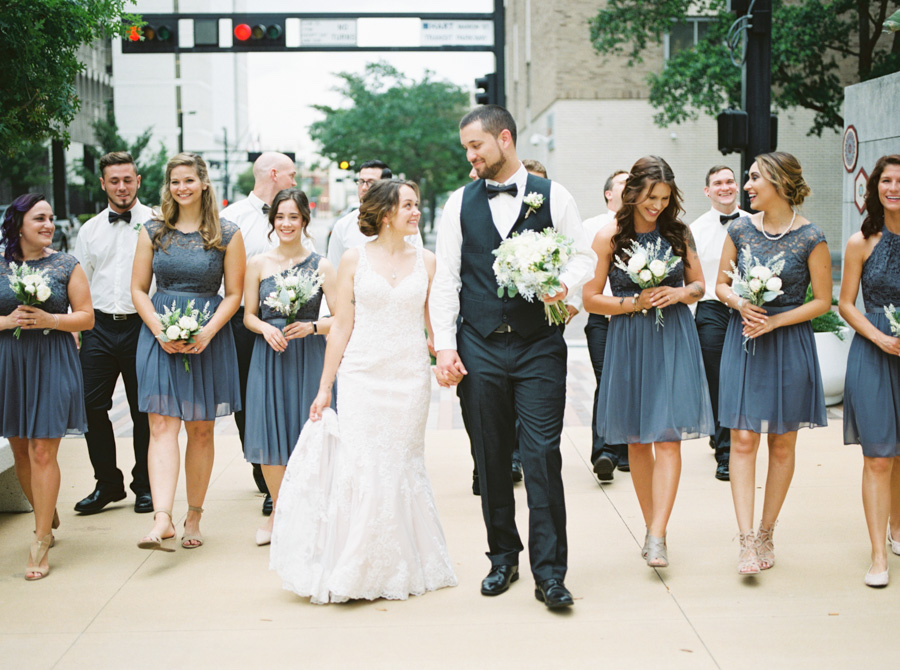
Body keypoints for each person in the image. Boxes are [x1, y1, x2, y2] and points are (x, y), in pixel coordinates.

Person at [431, 105, 595, 609]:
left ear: (504, 138)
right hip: (478, 343)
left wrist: (563, 286)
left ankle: (551, 573)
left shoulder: (555, 196)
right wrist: (444, 346)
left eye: (476, 145)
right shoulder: (459, 203)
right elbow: (448, 278)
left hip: (538, 343)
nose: (470, 156)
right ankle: (503, 558)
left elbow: (583, 256)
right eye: (466, 148)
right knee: (491, 455)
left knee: (545, 455)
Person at [270, 179, 457, 603]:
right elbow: (341, 326)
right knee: (364, 465)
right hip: (361, 376)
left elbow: (436, 325)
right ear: (387, 213)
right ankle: (355, 562)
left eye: (416, 204)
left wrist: (447, 355)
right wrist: (324, 388)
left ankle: (398, 563)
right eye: (408, 205)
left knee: (401, 464)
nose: (416, 212)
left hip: (409, 376)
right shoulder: (353, 260)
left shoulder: (428, 262)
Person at [583, 156, 712, 569]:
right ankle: (652, 525)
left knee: (667, 436)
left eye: (664, 197)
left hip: (673, 336)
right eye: (650, 197)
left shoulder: (678, 233)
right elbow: (589, 298)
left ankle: (657, 534)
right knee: (637, 440)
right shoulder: (609, 236)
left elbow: (699, 286)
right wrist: (632, 302)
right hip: (629, 337)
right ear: (632, 193)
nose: (657, 205)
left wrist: (677, 294)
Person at [715, 152, 830, 575]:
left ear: (779, 182)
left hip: (788, 344)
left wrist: (777, 319)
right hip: (745, 340)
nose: (747, 185)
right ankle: (745, 541)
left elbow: (822, 300)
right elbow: (720, 284)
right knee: (743, 441)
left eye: (754, 178)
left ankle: (766, 532)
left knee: (782, 442)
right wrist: (742, 303)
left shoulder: (811, 236)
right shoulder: (740, 228)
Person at [131, 153, 245, 551]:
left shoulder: (228, 233)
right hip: (158, 332)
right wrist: (159, 329)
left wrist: (209, 331)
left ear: (204, 184)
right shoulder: (152, 231)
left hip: (208, 334)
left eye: (188, 181)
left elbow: (234, 294)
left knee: (200, 428)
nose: (182, 188)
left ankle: (193, 514)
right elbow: (138, 290)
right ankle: (162, 518)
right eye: (175, 182)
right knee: (161, 425)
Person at [0, 194, 94, 579]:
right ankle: (45, 507)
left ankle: (40, 539)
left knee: (42, 450)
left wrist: (50, 320)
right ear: (18, 224)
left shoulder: (66, 264)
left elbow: (86, 318)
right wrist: (9, 322)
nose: (48, 225)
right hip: (11, 363)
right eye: (39, 218)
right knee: (21, 449)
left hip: (53, 361)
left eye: (51, 219)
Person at [242, 188, 336, 546]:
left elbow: (342, 318)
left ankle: (312, 513)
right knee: (271, 433)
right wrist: (266, 327)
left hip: (308, 355)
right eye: (280, 217)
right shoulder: (258, 264)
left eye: (293, 217)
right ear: (272, 221)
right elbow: (248, 315)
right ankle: (279, 512)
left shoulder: (322, 265)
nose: (286, 223)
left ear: (304, 220)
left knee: (309, 435)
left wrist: (312, 326)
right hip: (271, 355)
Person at [73, 151, 154, 515]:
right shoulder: (89, 230)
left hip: (144, 327)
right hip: (99, 327)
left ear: (138, 181)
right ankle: (108, 483)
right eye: (114, 181)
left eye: (128, 179)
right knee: (90, 406)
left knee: (144, 410)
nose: (122, 187)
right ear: (103, 183)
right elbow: (82, 284)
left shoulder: (157, 222)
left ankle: (146, 485)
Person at [220, 152, 296, 515]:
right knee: (248, 398)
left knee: (283, 394)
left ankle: (284, 472)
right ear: (274, 173)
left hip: (287, 323)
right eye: (292, 175)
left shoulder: (293, 214)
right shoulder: (231, 217)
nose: (295, 182)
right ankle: (263, 470)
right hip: (241, 320)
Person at [839, 154, 900, 588]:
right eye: (886, 180)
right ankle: (878, 555)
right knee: (878, 457)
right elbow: (844, 303)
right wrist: (880, 339)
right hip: (875, 349)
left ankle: (898, 528)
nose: (893, 187)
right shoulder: (861, 241)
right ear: (875, 187)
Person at [689, 165, 750, 482]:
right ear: (707, 191)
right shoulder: (695, 229)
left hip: (747, 308)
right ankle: (725, 454)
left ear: (737, 186)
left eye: (729, 181)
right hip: (711, 308)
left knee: (740, 378)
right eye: (717, 183)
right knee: (717, 378)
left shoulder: (756, 223)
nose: (725, 187)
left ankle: (729, 438)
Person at [579, 169, 630, 482]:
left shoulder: (646, 226)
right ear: (608, 194)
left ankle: (625, 450)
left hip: (637, 319)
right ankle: (605, 452)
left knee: (632, 383)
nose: (630, 187)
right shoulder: (590, 228)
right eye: (623, 183)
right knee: (608, 381)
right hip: (602, 318)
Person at [326, 160, 421, 269]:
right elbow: (334, 272)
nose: (364, 188)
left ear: (387, 186)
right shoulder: (343, 226)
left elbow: (418, 265)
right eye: (361, 182)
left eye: (371, 182)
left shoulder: (406, 226)